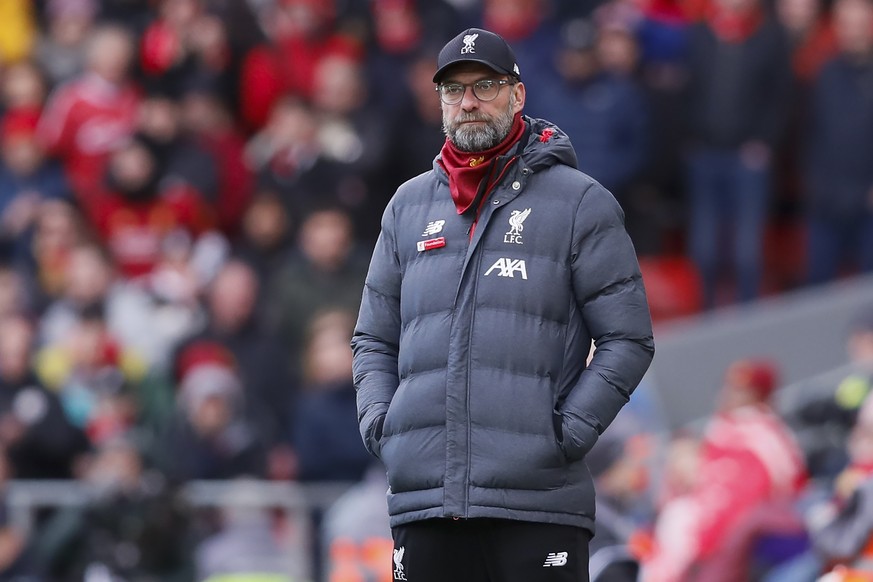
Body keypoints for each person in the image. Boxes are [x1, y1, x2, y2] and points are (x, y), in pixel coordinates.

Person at [351, 28, 655, 582]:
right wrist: (384, 426)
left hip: (539, 503)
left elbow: (628, 338)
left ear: (517, 95)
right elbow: (373, 338)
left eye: (484, 85)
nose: (468, 101)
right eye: (453, 90)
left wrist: (566, 434)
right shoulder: (406, 206)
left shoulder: (580, 203)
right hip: (426, 502)